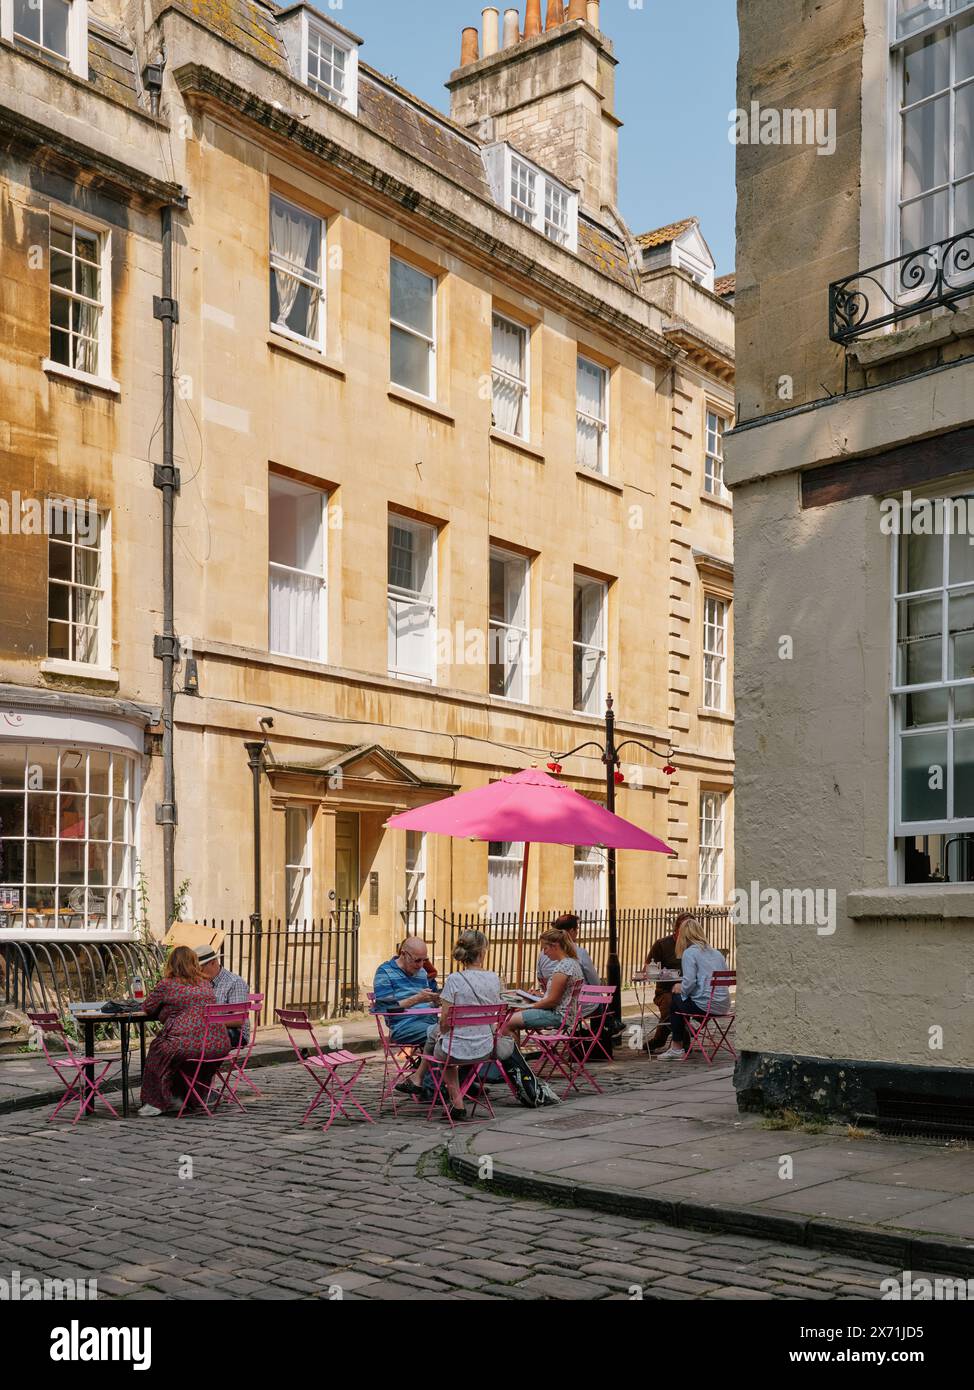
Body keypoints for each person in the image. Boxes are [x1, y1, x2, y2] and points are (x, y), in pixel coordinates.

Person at [396, 929, 514, 1121]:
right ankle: (421, 1081)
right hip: (486, 1048)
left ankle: (455, 1102)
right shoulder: (495, 979)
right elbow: (493, 1016)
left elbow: (444, 1022)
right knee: (441, 1038)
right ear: (483, 952)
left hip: (455, 1052)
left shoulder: (454, 980)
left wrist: (443, 1033)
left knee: (443, 1043)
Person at [138, 946, 231, 1116]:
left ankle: (156, 1102)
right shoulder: (206, 984)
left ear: (171, 964)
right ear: (195, 963)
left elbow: (147, 1008)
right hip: (218, 1045)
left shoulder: (167, 984)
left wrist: (166, 1012)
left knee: (158, 1049)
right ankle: (182, 1097)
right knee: (182, 1057)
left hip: (187, 1045)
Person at [657, 915, 730, 1060]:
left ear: (683, 935)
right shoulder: (717, 953)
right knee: (682, 1001)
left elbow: (689, 983)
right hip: (723, 1006)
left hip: (705, 1006)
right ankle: (690, 1034)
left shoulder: (690, 953)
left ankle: (677, 1048)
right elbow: (726, 980)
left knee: (675, 1001)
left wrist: (679, 987)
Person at [502, 927, 584, 1042]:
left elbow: (552, 1001)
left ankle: (515, 1059)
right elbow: (561, 997)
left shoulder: (563, 967)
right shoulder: (572, 963)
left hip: (557, 1015)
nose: (544, 953)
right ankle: (517, 1056)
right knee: (510, 1019)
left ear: (555, 946)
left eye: (545, 948)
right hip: (565, 1015)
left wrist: (527, 1007)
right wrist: (539, 997)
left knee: (506, 1022)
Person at [373, 937, 439, 1046]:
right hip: (404, 1026)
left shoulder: (422, 972)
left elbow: (428, 1003)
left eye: (424, 960)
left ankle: (428, 1063)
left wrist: (436, 1000)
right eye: (417, 960)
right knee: (444, 1035)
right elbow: (384, 1008)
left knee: (461, 1032)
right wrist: (417, 999)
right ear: (403, 954)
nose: (421, 965)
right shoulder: (384, 972)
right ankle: (430, 1063)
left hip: (430, 1021)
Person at [643, 913, 686, 1053]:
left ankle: (682, 1037)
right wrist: (662, 973)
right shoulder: (662, 944)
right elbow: (648, 968)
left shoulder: (693, 946)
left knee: (687, 1004)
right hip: (665, 990)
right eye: (685, 927)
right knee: (670, 1004)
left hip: (688, 989)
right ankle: (669, 1039)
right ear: (677, 928)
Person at [196, 946, 251, 1045]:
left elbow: (239, 1019)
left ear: (213, 963)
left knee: (199, 1040)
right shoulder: (200, 983)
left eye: (200, 969)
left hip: (236, 1033)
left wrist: (210, 1023)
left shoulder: (234, 982)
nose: (198, 973)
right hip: (210, 1031)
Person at [536, 913, 600, 988]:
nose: (545, 952)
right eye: (577, 929)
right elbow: (595, 982)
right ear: (572, 930)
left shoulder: (543, 955)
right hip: (578, 996)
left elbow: (541, 980)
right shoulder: (578, 954)